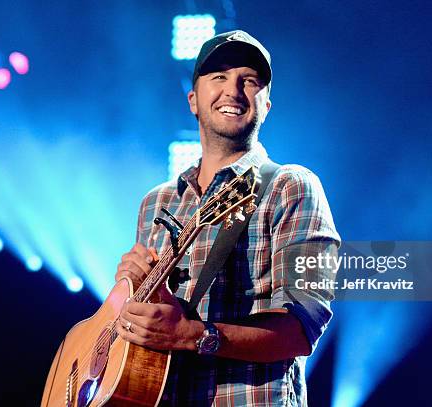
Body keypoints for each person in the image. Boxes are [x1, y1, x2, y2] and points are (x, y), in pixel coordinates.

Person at [115, 30, 340, 406]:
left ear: (266, 105)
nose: (233, 90)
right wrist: (128, 292)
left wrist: (192, 335)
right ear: (193, 100)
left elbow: (301, 329)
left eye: (248, 81)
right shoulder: (156, 203)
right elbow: (139, 327)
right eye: (218, 76)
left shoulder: (292, 186)